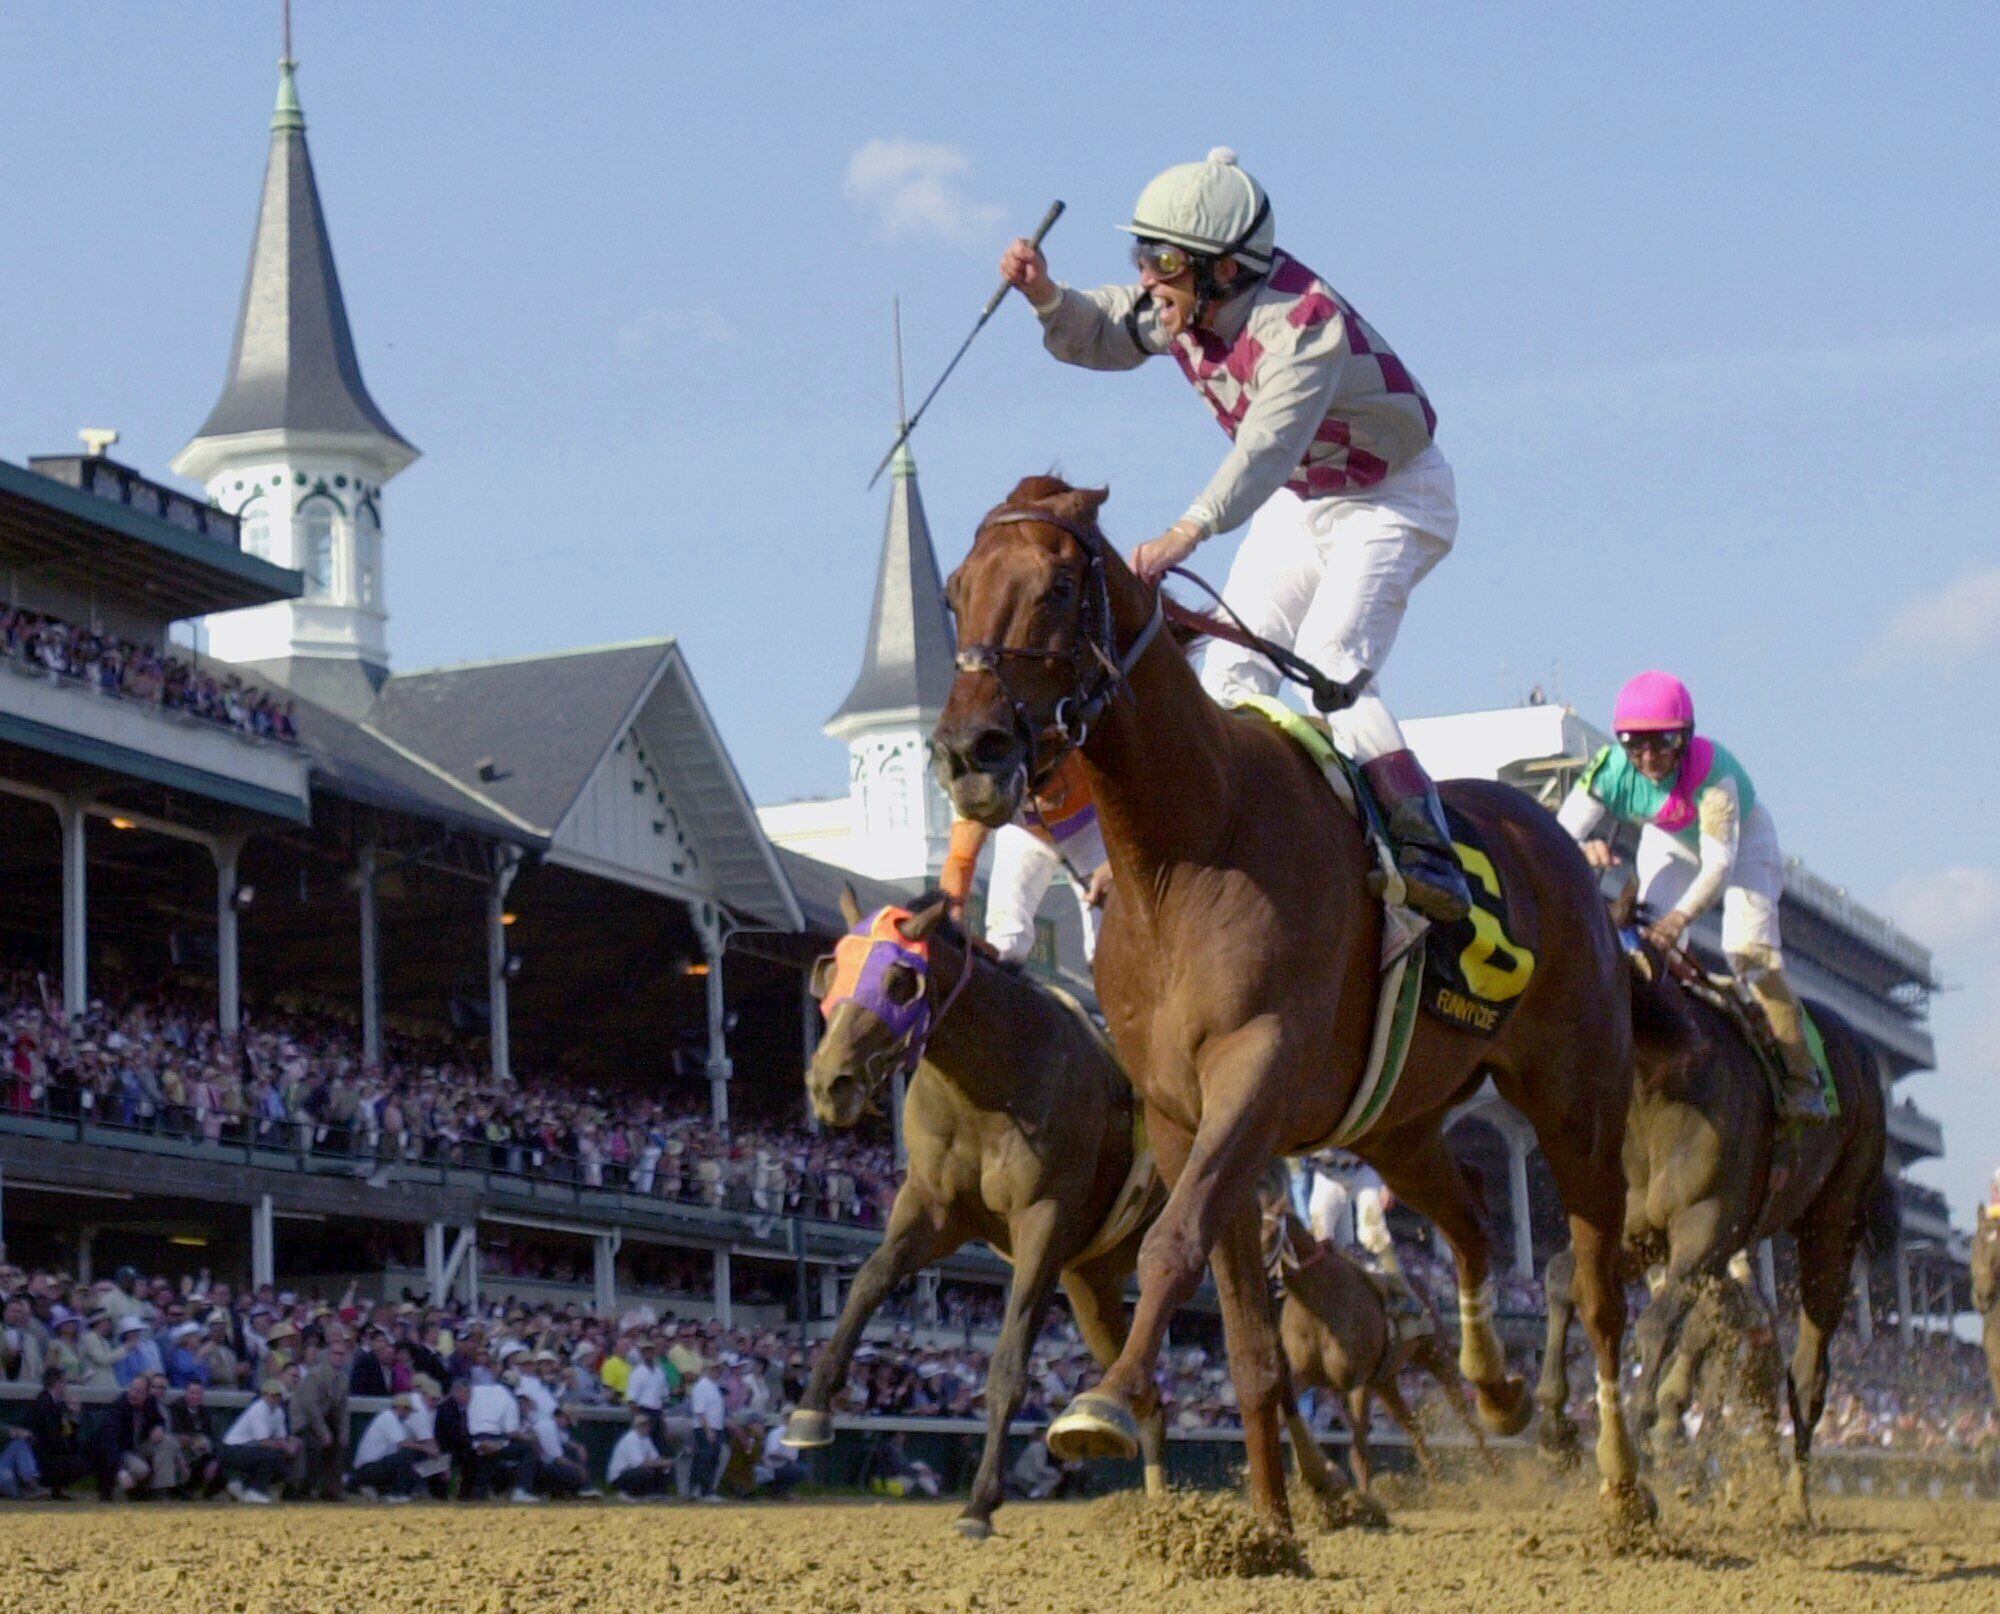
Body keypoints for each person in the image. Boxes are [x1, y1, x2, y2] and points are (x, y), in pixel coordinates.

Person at [1000, 147, 1469, 924]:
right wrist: (1046, 295)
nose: (1148, 275)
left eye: (1164, 259)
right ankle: (1262, 845)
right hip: (1305, 499)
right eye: (1141, 254)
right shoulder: (1186, 303)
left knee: (1328, 668)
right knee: (1226, 678)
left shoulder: (1303, 326)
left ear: (1222, 269)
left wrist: (1187, 531)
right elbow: (1105, 330)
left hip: (1394, 498)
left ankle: (1428, 852)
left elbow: (1266, 449)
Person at [1557, 670, 1829, 1124]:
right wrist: (1584, 849)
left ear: (1685, 738)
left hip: (1741, 846)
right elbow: (1559, 835)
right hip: (1668, 839)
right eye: (1634, 743)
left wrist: (1680, 919)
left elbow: (1718, 866)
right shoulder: (1609, 769)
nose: (1648, 757)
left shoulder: (1712, 772)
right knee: (1643, 953)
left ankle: (1803, 1075)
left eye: (1662, 742)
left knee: (1746, 952)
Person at [939, 753, 1111, 965]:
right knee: (1004, 941)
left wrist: (1112, 865)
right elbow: (961, 859)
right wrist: (951, 919)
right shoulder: (980, 787)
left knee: (1106, 941)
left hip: (1090, 824)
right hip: (1024, 832)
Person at [290, 1333, 351, 1501]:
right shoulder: (316, 1375)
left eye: (342, 1354)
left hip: (323, 1418)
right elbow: (310, 1406)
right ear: (328, 1355)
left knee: (339, 1444)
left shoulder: (343, 1378)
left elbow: (343, 1408)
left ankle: (331, 1489)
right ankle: (308, 1488)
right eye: (335, 1353)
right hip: (303, 1420)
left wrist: (344, 1431)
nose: (339, 1357)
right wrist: (323, 1431)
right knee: (315, 1446)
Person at [465, 1371, 542, 1503]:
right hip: (494, 1441)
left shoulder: (477, 1389)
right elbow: (511, 1432)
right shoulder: (510, 1399)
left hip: (469, 1439)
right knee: (529, 1450)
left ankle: (484, 1491)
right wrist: (531, 1438)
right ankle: (520, 1490)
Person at [221, 1379, 297, 1503]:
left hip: (249, 1448)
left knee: (273, 1456)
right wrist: (285, 1446)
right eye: (272, 1395)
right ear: (264, 1395)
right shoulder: (258, 1408)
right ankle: (255, 1490)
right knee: (271, 1455)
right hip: (232, 1449)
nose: (275, 1398)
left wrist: (289, 1445)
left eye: (278, 1395)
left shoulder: (278, 1412)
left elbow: (281, 1438)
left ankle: (252, 1490)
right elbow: (264, 1442)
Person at [23, 1366, 85, 1497]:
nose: (66, 1386)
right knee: (77, 1459)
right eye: (65, 1382)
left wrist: (73, 1417)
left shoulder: (56, 1405)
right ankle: (53, 1487)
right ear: (58, 1383)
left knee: (79, 1453)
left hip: (50, 1454)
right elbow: (54, 1439)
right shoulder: (44, 1404)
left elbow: (67, 1435)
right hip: (41, 1458)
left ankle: (57, 1488)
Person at [350, 1391, 424, 1501]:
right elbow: (403, 1444)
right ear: (401, 1408)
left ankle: (384, 1490)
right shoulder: (388, 1418)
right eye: (408, 1411)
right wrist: (427, 1449)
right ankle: (396, 1494)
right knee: (405, 1455)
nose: (409, 1415)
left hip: (372, 1467)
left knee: (407, 1460)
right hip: (367, 1469)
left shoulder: (394, 1421)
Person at [607, 1409, 673, 1499]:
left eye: (648, 1424)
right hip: (620, 1477)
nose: (647, 1427)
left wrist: (666, 1463)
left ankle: (656, 1493)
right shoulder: (631, 1439)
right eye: (644, 1424)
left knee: (662, 1468)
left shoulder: (646, 1438)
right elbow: (639, 1463)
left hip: (633, 1471)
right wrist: (662, 1462)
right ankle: (626, 1492)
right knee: (645, 1472)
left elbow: (656, 1458)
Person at [687, 1356, 727, 1501]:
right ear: (707, 1370)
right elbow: (700, 1411)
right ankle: (702, 1491)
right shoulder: (702, 1386)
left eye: (718, 1369)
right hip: (705, 1428)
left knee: (712, 1460)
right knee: (704, 1459)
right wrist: (708, 1430)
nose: (717, 1372)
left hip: (716, 1427)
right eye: (714, 1369)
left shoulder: (714, 1386)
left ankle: (705, 1490)